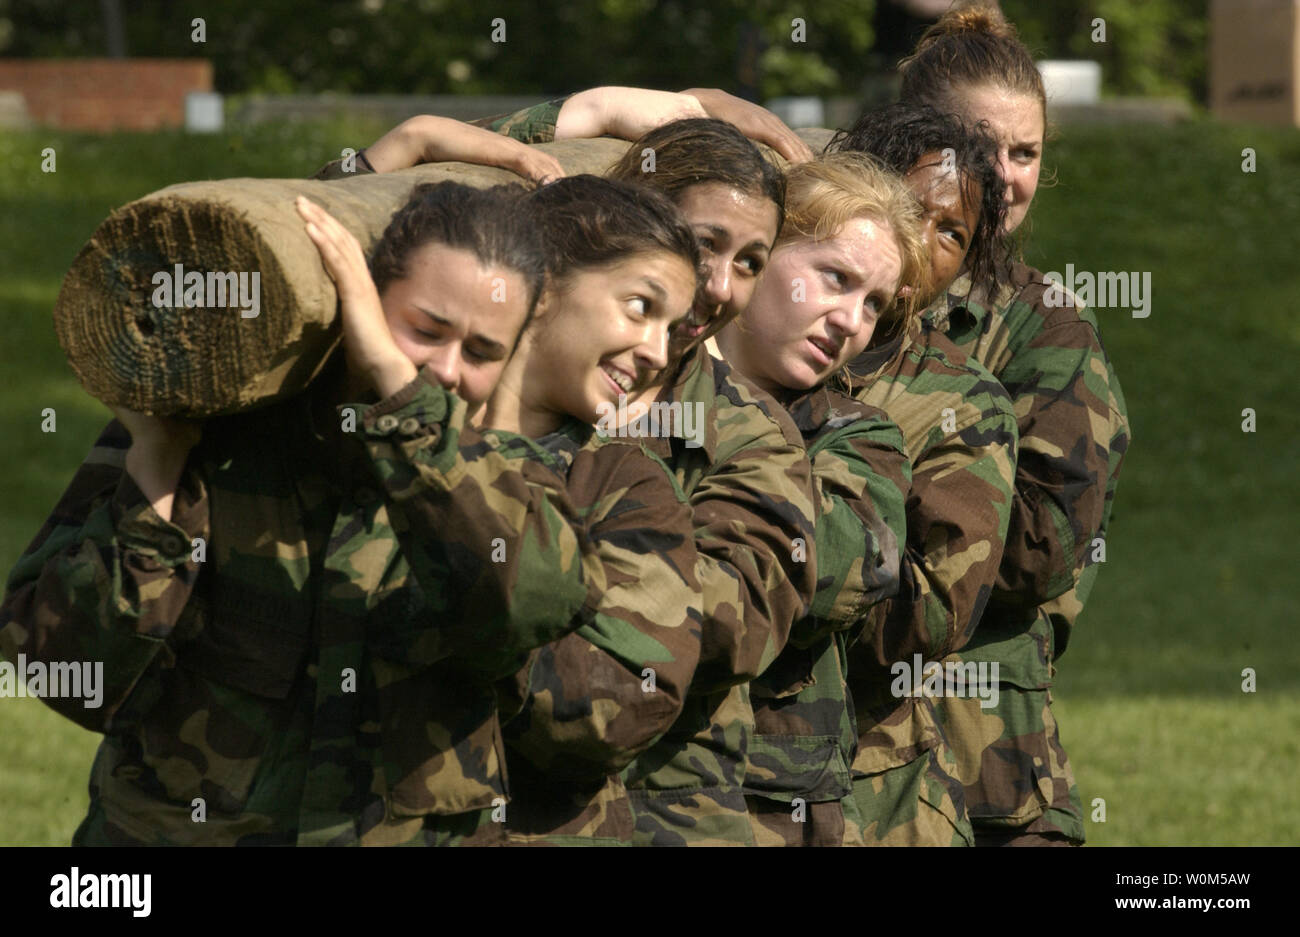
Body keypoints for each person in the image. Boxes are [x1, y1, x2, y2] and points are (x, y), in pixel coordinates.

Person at [0, 180, 667, 845]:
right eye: (424, 330)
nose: (445, 369)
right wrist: (155, 475)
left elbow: (532, 603)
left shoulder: (508, 475)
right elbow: (58, 669)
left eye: (482, 352)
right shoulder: (207, 426)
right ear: (361, 303)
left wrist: (401, 398)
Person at [894, 0, 1131, 846]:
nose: (1005, 174)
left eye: (1025, 152)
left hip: (980, 774)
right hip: (811, 772)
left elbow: (1036, 552)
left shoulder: (1047, 330)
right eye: (978, 147)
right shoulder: (827, 287)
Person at [705, 151, 923, 845]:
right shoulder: (632, 388)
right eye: (836, 279)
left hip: (773, 810)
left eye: (873, 304)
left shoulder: (859, 438)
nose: (850, 320)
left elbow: (820, 573)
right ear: (763, 250)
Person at [825, 104, 1020, 845]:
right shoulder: (748, 346)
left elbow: (929, 614)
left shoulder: (962, 404)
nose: (925, 243)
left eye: (953, 234)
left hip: (876, 798)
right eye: (912, 208)